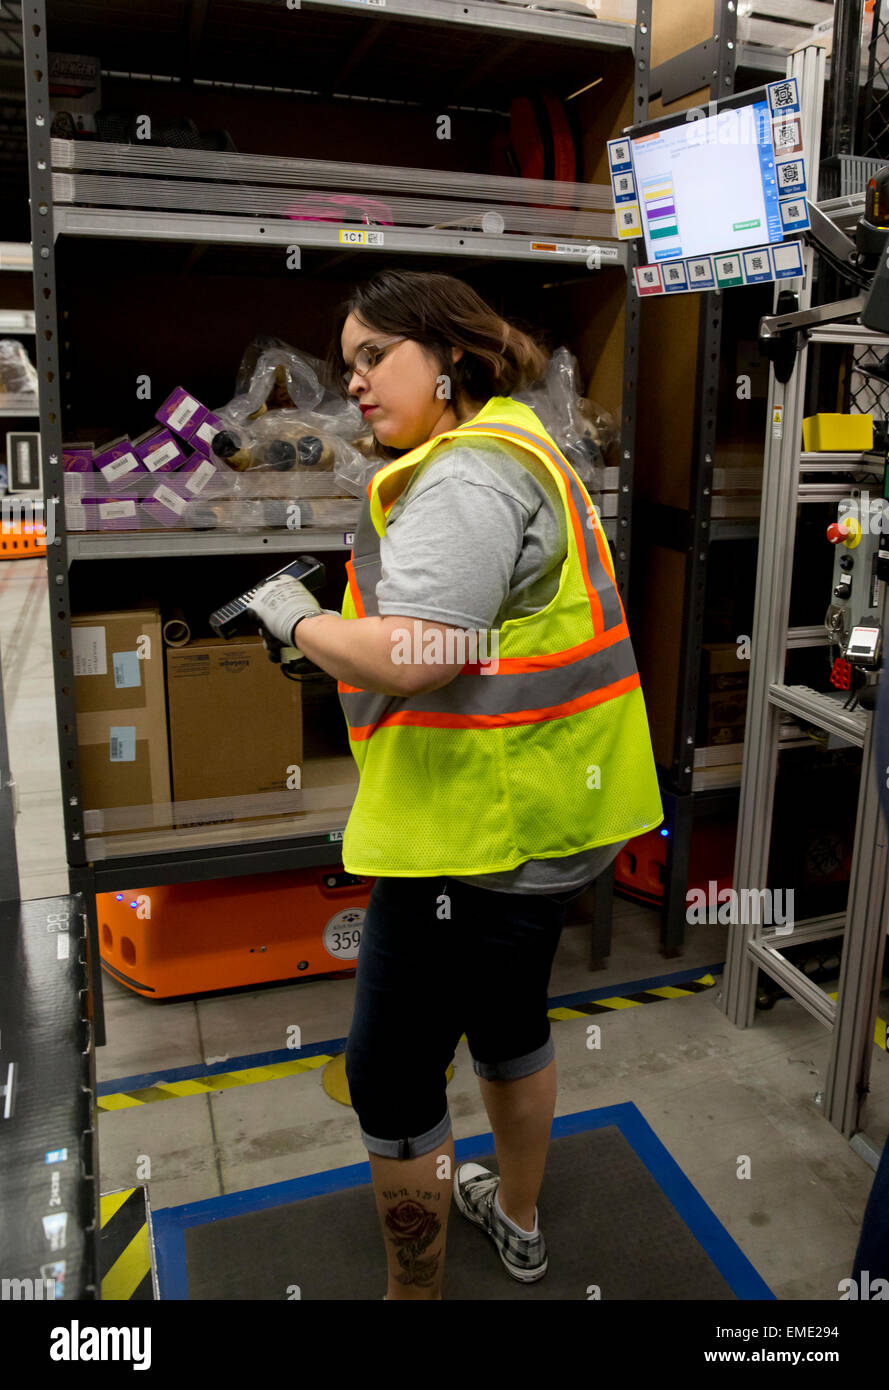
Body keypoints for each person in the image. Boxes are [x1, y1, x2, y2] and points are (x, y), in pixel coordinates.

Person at [246, 268, 663, 1301]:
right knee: (509, 1021)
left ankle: (413, 1295)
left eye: (373, 357)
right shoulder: (526, 441)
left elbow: (417, 653)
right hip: (543, 820)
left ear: (451, 358)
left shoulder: (468, 477)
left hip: (474, 835)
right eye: (347, 366)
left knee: (390, 1074)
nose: (354, 387)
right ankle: (516, 1221)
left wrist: (294, 623)